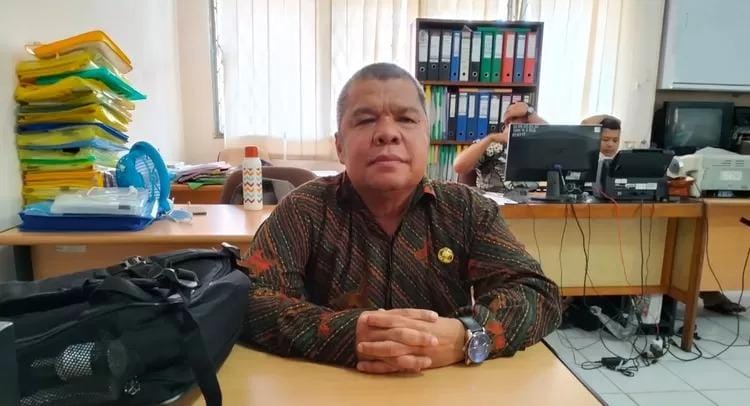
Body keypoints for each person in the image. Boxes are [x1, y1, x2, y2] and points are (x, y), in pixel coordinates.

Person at [240, 63, 561, 374]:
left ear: (427, 138)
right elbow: (249, 300)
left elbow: (538, 295)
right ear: (340, 146)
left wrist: (466, 334)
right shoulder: (304, 208)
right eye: (366, 120)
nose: (387, 133)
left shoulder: (466, 209)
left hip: (442, 390)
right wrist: (349, 335)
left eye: (406, 119)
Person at [453, 102, 546, 192]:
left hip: (527, 201)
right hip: (492, 200)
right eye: (526, 122)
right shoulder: (492, 144)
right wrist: (490, 138)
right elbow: (459, 166)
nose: (531, 127)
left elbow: (549, 134)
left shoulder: (535, 148)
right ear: (508, 122)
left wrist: (530, 112)